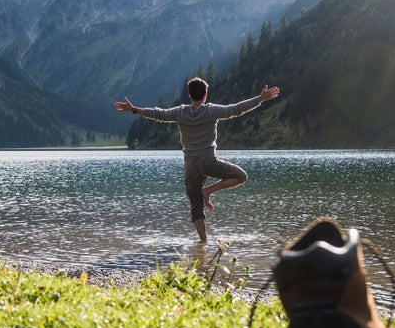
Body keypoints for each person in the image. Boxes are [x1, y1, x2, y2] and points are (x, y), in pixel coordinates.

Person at [115, 78, 280, 242]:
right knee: (241, 176)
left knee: (196, 206)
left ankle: (203, 242)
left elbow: (159, 114)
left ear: (189, 95)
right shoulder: (211, 111)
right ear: (205, 94)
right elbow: (236, 109)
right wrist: (259, 99)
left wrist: (134, 109)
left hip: (190, 166)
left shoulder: (180, 112)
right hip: (209, 162)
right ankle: (208, 191)